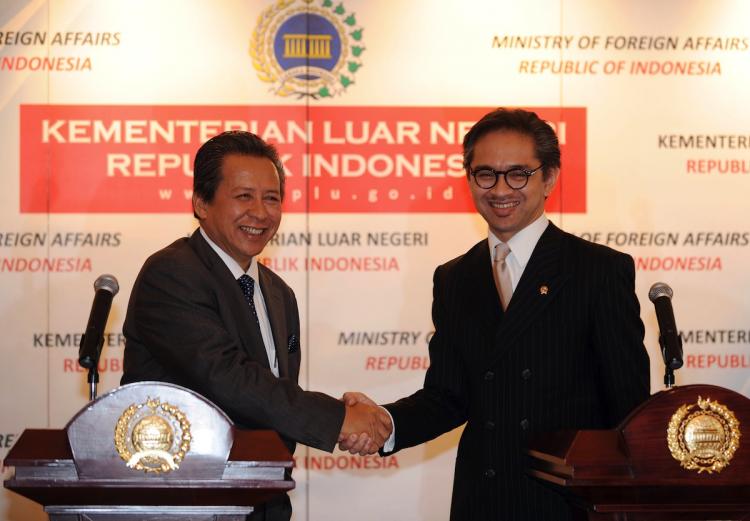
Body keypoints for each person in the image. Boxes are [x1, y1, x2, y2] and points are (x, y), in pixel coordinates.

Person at [341, 108, 651, 520]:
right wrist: (386, 421)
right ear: (469, 179)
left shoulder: (597, 270)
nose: (501, 188)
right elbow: (448, 397)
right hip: (482, 500)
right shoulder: (454, 278)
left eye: (518, 174)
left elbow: (629, 409)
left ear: (550, 178)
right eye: (485, 174)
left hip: (567, 505)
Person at [121, 130, 391, 521]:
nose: (261, 213)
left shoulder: (278, 293)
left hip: (262, 500)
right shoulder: (172, 273)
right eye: (244, 196)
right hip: (185, 500)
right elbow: (229, 378)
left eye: (272, 198)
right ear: (201, 202)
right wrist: (337, 419)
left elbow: (275, 396)